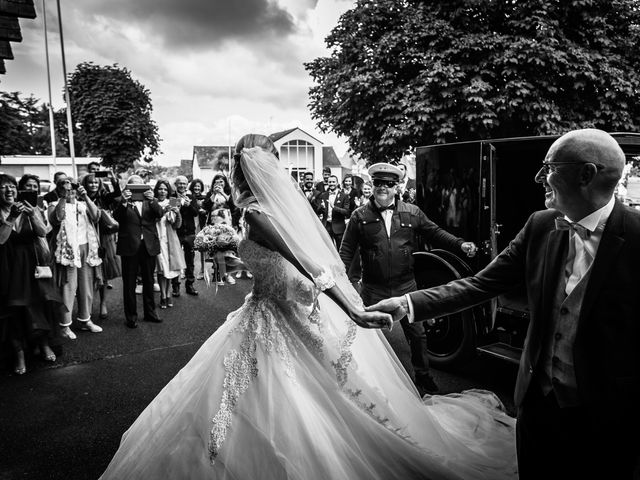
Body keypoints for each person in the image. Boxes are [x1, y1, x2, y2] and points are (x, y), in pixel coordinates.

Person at [99, 133, 516, 480]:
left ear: (241, 170)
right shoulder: (256, 214)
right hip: (264, 314)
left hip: (280, 316)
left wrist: (351, 309)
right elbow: (290, 262)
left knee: (310, 402)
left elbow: (311, 265)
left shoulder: (260, 217)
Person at [367, 128, 640, 479]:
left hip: (608, 419)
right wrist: (407, 303)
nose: (539, 176)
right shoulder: (540, 225)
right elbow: (481, 285)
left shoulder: (635, 239)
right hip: (537, 407)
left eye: (549, 167)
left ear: (586, 174)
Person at [339, 163, 477, 394]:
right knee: (367, 336)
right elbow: (345, 252)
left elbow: (435, 233)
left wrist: (460, 244)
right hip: (373, 289)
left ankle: (422, 375)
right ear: (372, 185)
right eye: (378, 183)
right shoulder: (359, 216)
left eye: (389, 184)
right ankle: (365, 380)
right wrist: (337, 282)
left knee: (418, 334)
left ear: (397, 186)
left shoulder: (412, 212)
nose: (383, 188)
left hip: (406, 286)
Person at [0, 174, 63, 375]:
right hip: (8, 267)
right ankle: (19, 352)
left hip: (31, 265)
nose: (9, 190)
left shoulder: (30, 208)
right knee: (15, 311)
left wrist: (32, 214)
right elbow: (1, 240)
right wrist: (11, 218)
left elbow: (43, 232)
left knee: (39, 305)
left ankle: (43, 344)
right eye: (4, 187)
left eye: (12, 187)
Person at [48, 177, 104, 339]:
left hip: (86, 248)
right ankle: (65, 325)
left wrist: (85, 196)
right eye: (66, 186)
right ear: (59, 189)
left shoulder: (83, 204)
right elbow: (56, 219)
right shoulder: (54, 204)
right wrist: (64, 198)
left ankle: (85, 320)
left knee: (86, 288)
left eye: (73, 186)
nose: (70, 189)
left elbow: (96, 217)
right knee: (68, 287)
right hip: (67, 250)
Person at [114, 175, 163, 328]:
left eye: (140, 186)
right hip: (129, 245)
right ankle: (131, 317)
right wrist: (123, 201)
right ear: (127, 188)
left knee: (149, 280)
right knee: (129, 282)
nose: (136, 190)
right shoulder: (121, 201)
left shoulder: (150, 201)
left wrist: (152, 200)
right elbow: (117, 217)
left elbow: (159, 214)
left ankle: (150, 313)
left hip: (148, 244)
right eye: (133, 187)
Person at [81, 173, 121, 320]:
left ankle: (103, 303)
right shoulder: (79, 198)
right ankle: (88, 305)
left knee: (102, 274)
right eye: (90, 183)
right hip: (85, 237)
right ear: (85, 184)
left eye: (96, 183)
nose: (93, 185)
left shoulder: (103, 197)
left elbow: (117, 194)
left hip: (103, 238)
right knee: (88, 274)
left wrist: (113, 179)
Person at [154, 180, 186, 309]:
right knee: (161, 269)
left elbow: (177, 225)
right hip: (157, 238)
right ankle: (163, 295)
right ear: (156, 190)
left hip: (170, 240)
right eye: (160, 189)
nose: (162, 191)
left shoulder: (173, 201)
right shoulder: (153, 202)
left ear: (168, 191)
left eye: (165, 189)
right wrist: (162, 210)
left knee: (170, 269)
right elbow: (150, 220)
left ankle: (168, 294)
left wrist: (177, 212)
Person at [203, 173, 240, 285]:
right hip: (214, 225)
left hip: (227, 223)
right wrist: (214, 194)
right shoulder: (210, 194)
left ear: (225, 183)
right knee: (217, 250)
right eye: (216, 181)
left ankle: (228, 275)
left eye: (221, 181)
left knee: (228, 250)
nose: (219, 183)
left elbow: (234, 207)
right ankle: (218, 274)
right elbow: (206, 207)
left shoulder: (229, 193)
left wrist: (223, 193)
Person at [318, 175, 351, 249]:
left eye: (333, 182)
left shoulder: (344, 196)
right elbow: (319, 211)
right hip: (326, 226)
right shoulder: (323, 195)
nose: (331, 183)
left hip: (339, 227)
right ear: (327, 183)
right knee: (328, 249)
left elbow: (346, 212)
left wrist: (334, 207)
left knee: (340, 249)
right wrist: (321, 207)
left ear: (337, 183)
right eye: (330, 182)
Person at [188, 178, 208, 280]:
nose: (196, 188)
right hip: (189, 224)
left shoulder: (204, 198)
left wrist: (204, 210)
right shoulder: (187, 197)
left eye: (198, 186)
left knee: (202, 249)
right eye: (195, 186)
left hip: (201, 224)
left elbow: (208, 209)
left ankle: (202, 270)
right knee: (188, 249)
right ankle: (186, 271)